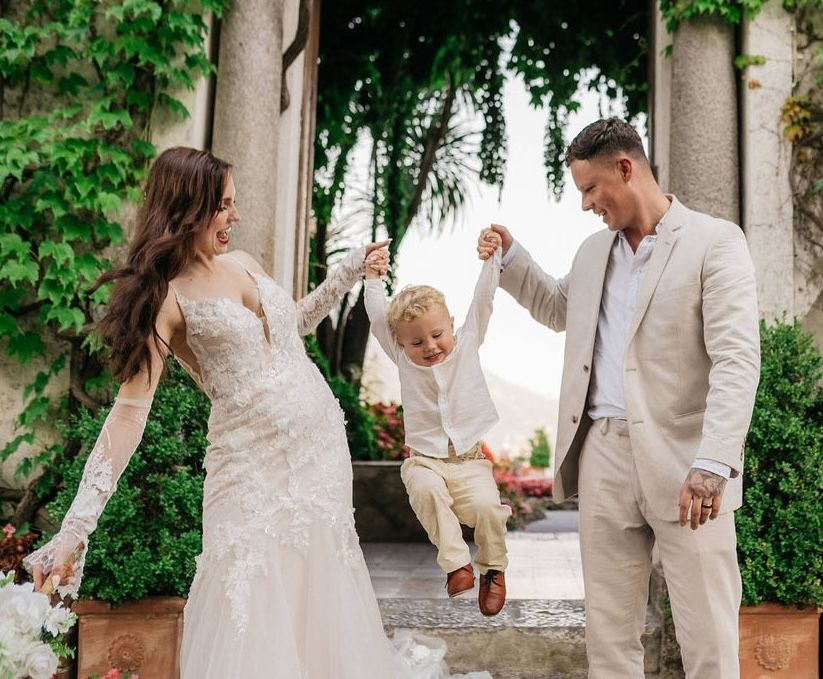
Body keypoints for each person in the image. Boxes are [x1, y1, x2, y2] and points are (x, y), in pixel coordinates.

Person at [23, 147, 490, 679]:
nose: (235, 217)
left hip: (318, 461)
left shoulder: (242, 262)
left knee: (319, 596)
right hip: (248, 473)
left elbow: (292, 325)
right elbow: (128, 414)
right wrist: (76, 527)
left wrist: (348, 272)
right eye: (224, 206)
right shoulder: (165, 300)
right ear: (188, 208)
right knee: (253, 596)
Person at [477, 118, 760, 679]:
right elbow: (558, 307)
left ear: (625, 169)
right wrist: (511, 257)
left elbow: (736, 359)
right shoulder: (590, 252)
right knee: (609, 635)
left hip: (688, 461)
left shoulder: (715, 241)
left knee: (708, 634)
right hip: (603, 454)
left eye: (589, 189)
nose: (585, 204)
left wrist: (713, 462)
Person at [363, 243, 511, 617]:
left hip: (469, 461)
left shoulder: (467, 344)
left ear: (451, 325)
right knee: (426, 489)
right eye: (416, 341)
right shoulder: (402, 358)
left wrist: (492, 259)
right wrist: (373, 278)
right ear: (400, 343)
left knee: (488, 511)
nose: (430, 346)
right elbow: (379, 317)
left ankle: (493, 570)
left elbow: (484, 300)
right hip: (425, 461)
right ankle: (458, 565)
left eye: (437, 334)